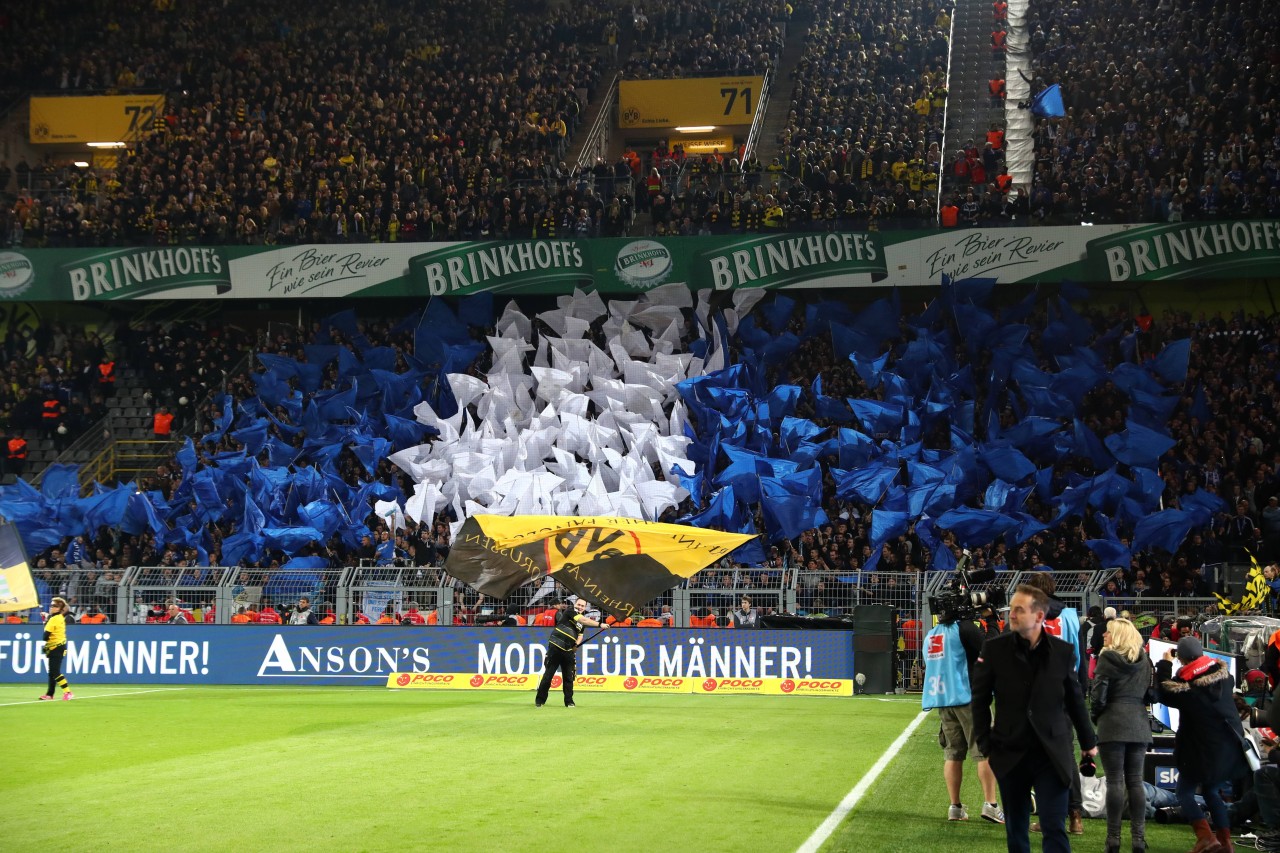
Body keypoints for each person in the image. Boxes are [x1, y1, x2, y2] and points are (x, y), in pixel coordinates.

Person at [971, 584, 1097, 853]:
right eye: (1011, 609)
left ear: (1039, 616)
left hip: (1052, 754)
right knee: (1016, 833)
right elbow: (979, 700)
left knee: (1054, 829)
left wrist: (1088, 742)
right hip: (1009, 753)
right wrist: (985, 745)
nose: (1012, 615)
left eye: (1019, 610)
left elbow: (1075, 700)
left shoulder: (1062, 652)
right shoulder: (994, 649)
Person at [1155, 635, 1248, 853]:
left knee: (1184, 793)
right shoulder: (1225, 677)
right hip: (1228, 750)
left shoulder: (1189, 690)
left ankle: (1206, 837)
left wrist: (1165, 664)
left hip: (1202, 752)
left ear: (1182, 658)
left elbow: (1165, 692)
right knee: (1211, 792)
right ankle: (1225, 843)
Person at [922, 604, 1004, 824]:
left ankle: (955, 807)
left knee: (952, 753)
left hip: (943, 699)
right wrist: (994, 622)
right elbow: (990, 649)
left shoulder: (931, 634)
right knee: (984, 752)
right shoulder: (964, 628)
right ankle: (991, 804)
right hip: (967, 698)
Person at [1090, 618, 1153, 853]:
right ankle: (1138, 838)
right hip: (1137, 721)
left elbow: (1098, 695)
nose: (1104, 635)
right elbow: (1149, 693)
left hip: (1112, 722)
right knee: (1135, 782)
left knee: (1115, 781)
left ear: (1116, 636)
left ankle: (1113, 838)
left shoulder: (1106, 658)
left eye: (1107, 632)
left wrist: (1097, 716)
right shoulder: (1144, 660)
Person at [534, 597, 608, 708]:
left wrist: (576, 645)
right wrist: (600, 624)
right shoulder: (570, 611)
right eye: (579, 604)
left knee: (568, 677)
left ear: (585, 607)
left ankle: (569, 701)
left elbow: (580, 635)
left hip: (568, 650)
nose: (580, 607)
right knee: (548, 675)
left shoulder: (582, 622)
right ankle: (540, 700)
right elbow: (583, 620)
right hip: (556, 646)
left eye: (582, 606)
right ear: (575, 604)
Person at [40, 597, 74, 700]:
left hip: (56, 647)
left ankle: (68, 692)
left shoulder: (53, 619)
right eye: (51, 605)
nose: (51, 607)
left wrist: (46, 622)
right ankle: (50, 694)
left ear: (59, 608)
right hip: (59, 646)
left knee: (55, 672)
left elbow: (45, 637)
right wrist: (47, 618)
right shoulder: (59, 617)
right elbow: (51, 619)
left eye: (54, 606)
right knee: (52, 672)